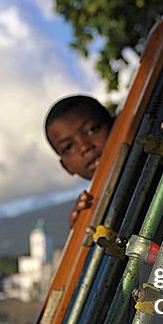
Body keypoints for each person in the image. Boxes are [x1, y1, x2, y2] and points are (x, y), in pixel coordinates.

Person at [44, 95, 113, 227]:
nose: (84, 147)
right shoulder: (87, 212)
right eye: (68, 147)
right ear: (66, 167)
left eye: (92, 130)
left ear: (115, 124)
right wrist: (81, 230)